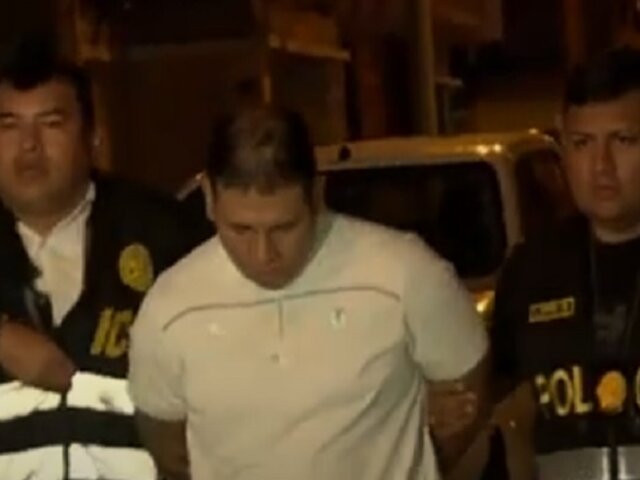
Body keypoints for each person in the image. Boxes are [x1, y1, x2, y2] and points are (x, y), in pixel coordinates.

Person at [128, 107, 490, 480]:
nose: (263, 255)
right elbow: (170, 452)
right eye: (241, 230)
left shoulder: (406, 274)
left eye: (284, 228)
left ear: (316, 195)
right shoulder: (169, 308)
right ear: (208, 196)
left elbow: (466, 405)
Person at [429, 46, 640, 479]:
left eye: (623, 140)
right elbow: (491, 411)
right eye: (582, 143)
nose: (601, 166)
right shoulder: (533, 269)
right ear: (562, 144)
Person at [0, 38, 206, 479]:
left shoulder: (164, 234)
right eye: (8, 126)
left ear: (93, 138)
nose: (28, 145)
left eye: (51, 123)